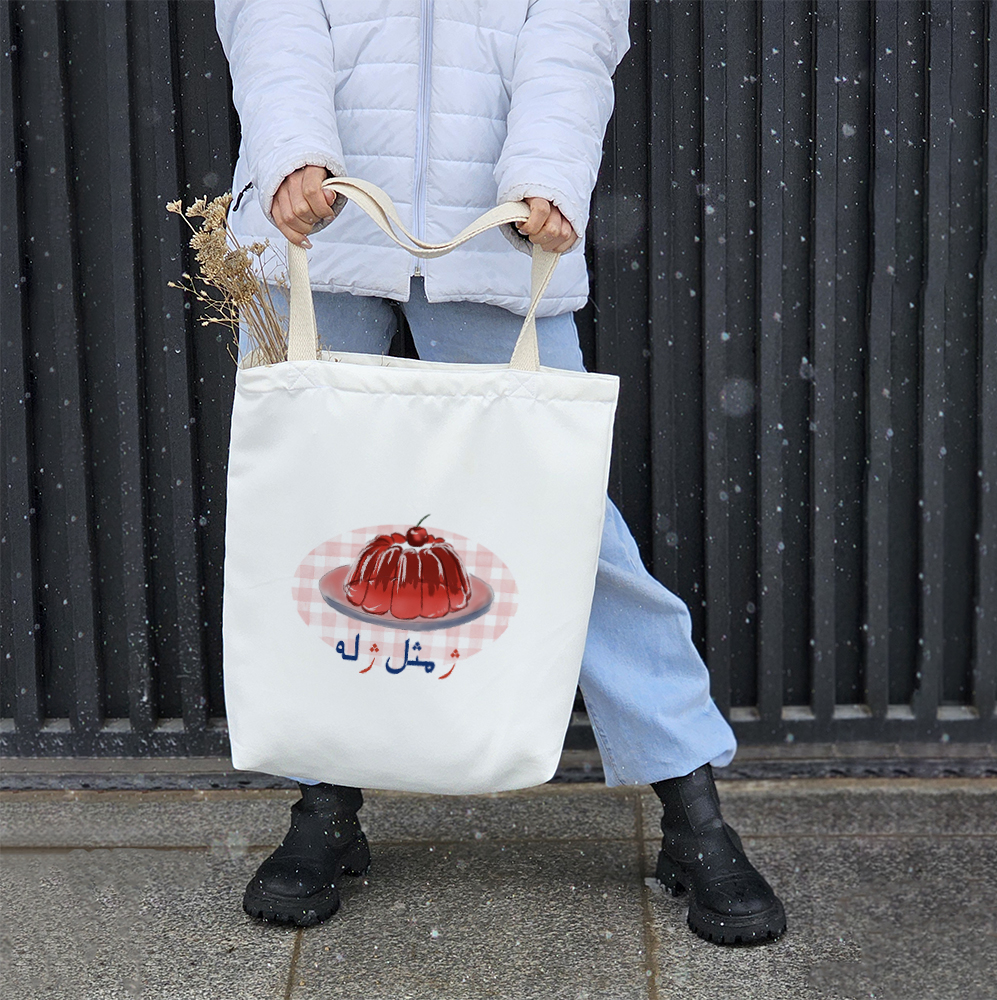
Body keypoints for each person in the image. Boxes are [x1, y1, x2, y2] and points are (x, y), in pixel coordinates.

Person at [215, 0, 786, 946]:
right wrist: (291, 153)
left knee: (568, 530)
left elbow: (573, 28)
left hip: (496, 233)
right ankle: (323, 803)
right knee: (313, 530)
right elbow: (272, 15)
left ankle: (693, 812)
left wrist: (548, 174)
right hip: (316, 229)